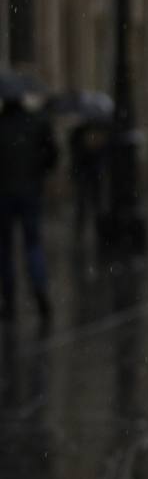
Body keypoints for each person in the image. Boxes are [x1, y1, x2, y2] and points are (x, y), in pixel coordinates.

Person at [0, 92, 56, 329]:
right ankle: (40, 290)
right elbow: (52, 155)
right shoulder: (36, 123)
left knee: (5, 247)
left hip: (3, 195)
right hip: (30, 192)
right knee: (33, 244)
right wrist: (38, 174)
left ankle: (10, 300)